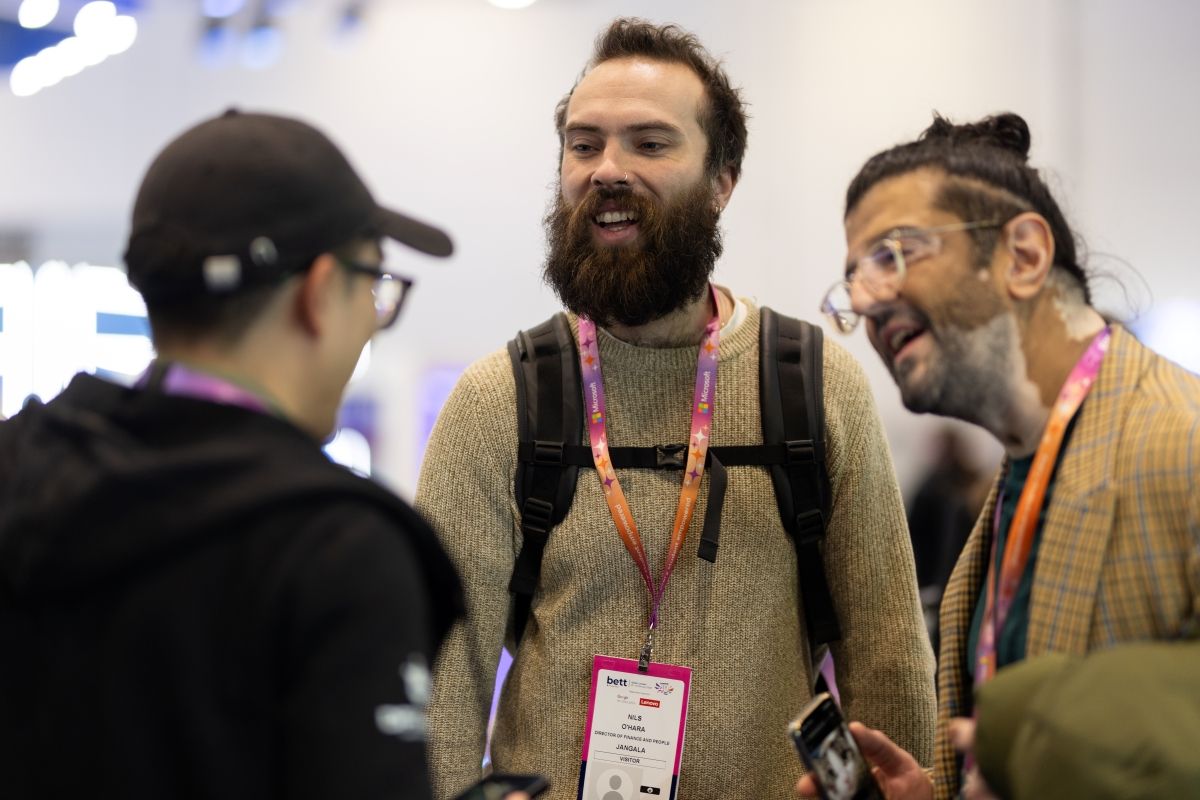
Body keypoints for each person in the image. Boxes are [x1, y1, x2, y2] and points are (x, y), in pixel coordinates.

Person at [418, 18, 935, 800]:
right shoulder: (499, 402)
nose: (607, 169)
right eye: (584, 145)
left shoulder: (814, 386)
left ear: (722, 181)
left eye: (650, 143)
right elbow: (442, 683)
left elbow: (888, 660)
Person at [0, 109, 471, 799]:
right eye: (372, 283)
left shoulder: (20, 471)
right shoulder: (338, 548)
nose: (373, 319)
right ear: (318, 293)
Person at [803, 111, 1200, 799]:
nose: (865, 300)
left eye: (893, 255)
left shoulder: (1181, 443)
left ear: (1023, 256)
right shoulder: (1014, 488)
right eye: (854, 280)